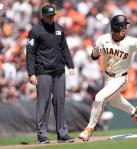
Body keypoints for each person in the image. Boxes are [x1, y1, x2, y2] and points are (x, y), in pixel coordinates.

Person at [79, 15, 137, 141]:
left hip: (121, 78)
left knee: (99, 98)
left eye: (124, 27)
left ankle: (88, 129)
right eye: (122, 27)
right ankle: (135, 112)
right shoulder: (103, 39)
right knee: (114, 100)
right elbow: (93, 56)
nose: (123, 30)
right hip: (107, 77)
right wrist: (96, 51)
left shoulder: (130, 42)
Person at [26, 4, 75, 144]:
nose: (50, 18)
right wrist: (31, 73)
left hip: (59, 70)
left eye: (52, 16)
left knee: (60, 101)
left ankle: (62, 133)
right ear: (42, 16)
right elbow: (30, 53)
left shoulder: (59, 29)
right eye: (48, 16)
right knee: (44, 102)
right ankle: (42, 135)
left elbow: (64, 48)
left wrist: (70, 65)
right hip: (43, 71)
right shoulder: (34, 31)